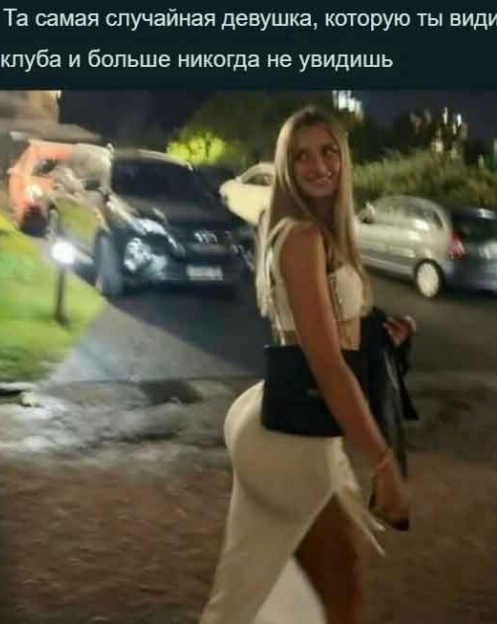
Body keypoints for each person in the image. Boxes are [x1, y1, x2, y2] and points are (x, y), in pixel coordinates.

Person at [199, 107, 414, 624]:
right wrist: (383, 462)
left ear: (344, 158)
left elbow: (325, 330)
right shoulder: (302, 238)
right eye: (301, 157)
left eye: (328, 152)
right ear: (286, 167)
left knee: (273, 594)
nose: (318, 166)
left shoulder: (313, 232)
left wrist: (379, 331)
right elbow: (326, 364)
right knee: (340, 590)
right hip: (292, 437)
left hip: (288, 421)